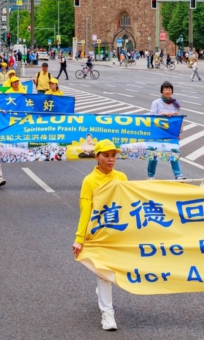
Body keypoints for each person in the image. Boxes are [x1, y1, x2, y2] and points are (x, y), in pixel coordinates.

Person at [72, 140, 126, 331]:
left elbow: (130, 206)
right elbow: (85, 210)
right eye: (106, 155)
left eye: (113, 156)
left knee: (114, 272)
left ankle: (103, 290)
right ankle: (107, 314)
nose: (110, 160)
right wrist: (79, 239)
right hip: (97, 234)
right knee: (104, 275)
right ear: (96, 157)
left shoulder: (121, 177)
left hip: (118, 233)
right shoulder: (89, 181)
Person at [147, 81, 184, 180]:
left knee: (174, 153)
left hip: (171, 133)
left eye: (169, 89)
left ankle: (178, 175)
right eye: (165, 89)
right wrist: (162, 113)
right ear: (162, 91)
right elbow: (151, 116)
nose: (167, 91)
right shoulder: (156, 103)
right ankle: (151, 175)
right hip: (158, 132)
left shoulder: (175, 103)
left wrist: (179, 131)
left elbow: (178, 119)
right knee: (154, 154)